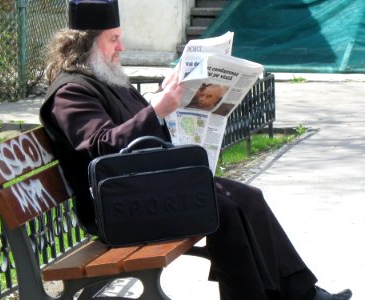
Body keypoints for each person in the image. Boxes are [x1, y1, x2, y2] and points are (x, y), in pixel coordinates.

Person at [39, 1, 352, 299]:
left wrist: (171, 100)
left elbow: (139, 126)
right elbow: (101, 145)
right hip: (117, 210)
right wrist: (156, 111)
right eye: (113, 39)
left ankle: (303, 293)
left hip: (143, 192)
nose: (120, 47)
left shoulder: (104, 79)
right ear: (85, 44)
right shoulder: (71, 92)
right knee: (222, 211)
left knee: (247, 198)